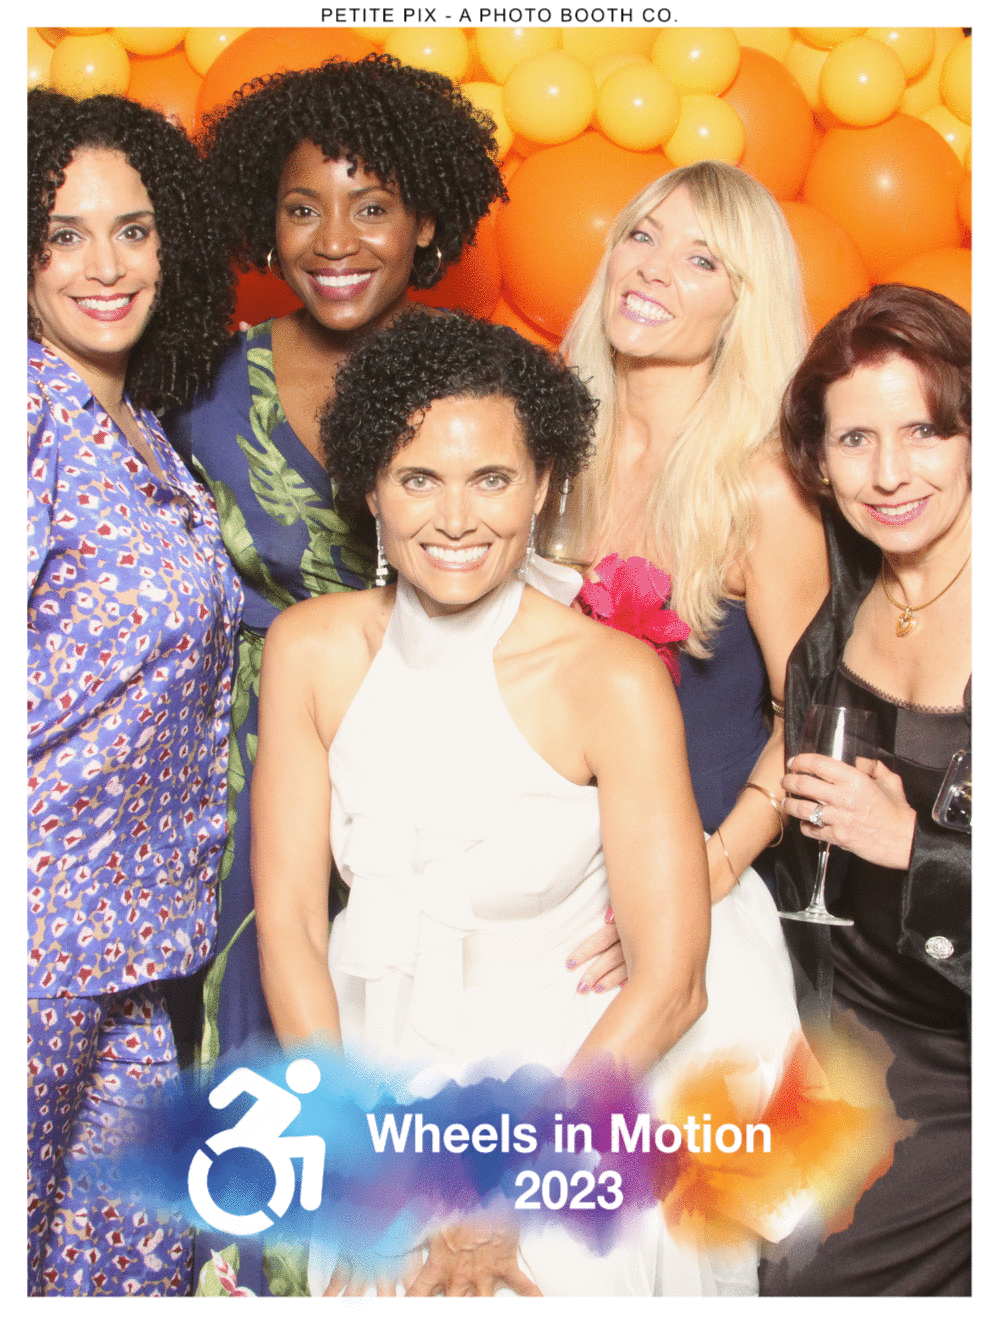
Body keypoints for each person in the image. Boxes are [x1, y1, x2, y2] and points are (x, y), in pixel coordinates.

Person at [251, 310, 802, 1296]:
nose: (455, 518)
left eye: (492, 479)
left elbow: (672, 981)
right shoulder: (311, 650)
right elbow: (290, 922)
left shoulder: (612, 678)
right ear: (371, 486)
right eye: (419, 478)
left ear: (543, 485)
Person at [165, 54, 510, 1069]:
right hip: (246, 764)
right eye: (302, 209)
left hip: (444, 753)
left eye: (372, 208)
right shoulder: (202, 386)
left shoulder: (488, 382)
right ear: (266, 223)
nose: (334, 241)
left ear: (427, 222)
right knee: (250, 1035)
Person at [27, 89, 242, 1295]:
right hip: (37, 936)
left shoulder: (142, 427)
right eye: (61, 234)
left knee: (124, 1268)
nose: (105, 267)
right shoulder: (25, 410)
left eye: (133, 229)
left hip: (134, 939)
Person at [761, 285, 970, 1295]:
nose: (888, 473)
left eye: (923, 431)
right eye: (854, 440)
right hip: (829, 1018)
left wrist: (913, 849)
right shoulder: (848, 584)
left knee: (814, 1283)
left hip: (957, 1062)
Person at [560, 161, 829, 908]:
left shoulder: (764, 489)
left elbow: (809, 716)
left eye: (702, 260)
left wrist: (712, 869)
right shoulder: (548, 451)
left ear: (743, 305)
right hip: (539, 853)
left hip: (697, 866)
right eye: (642, 237)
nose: (652, 268)